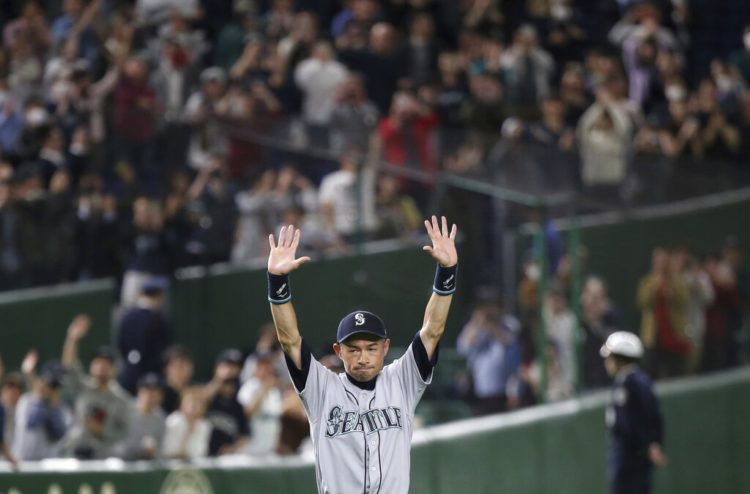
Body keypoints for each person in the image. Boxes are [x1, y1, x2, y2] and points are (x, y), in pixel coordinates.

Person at [266, 216, 457, 494]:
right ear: (338, 351)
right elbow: (289, 339)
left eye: (371, 348)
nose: (363, 357)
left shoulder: (402, 381)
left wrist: (447, 272)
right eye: (353, 349)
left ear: (385, 348)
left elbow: (432, 330)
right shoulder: (322, 388)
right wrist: (277, 281)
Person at [600, 331, 667, 494]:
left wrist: (647, 445)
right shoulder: (638, 381)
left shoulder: (629, 384)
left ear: (620, 359)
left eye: (610, 358)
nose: (607, 363)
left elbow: (632, 422)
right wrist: (653, 444)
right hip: (635, 455)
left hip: (629, 457)